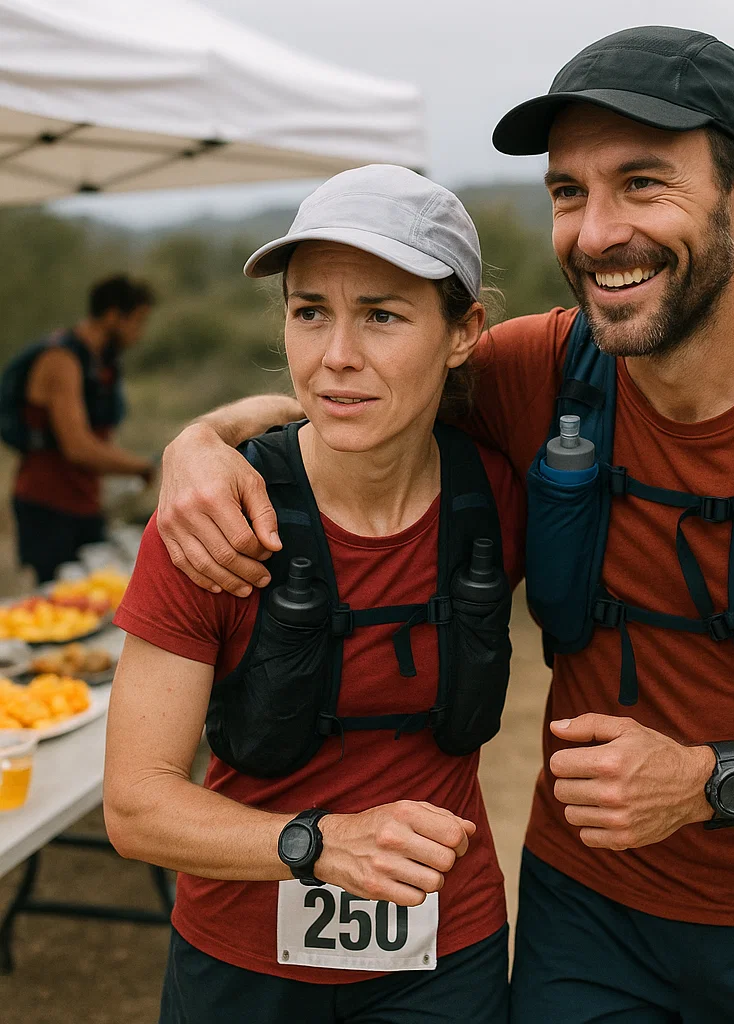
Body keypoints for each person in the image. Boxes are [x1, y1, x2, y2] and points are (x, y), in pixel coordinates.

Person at [151, 26, 734, 1024]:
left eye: (641, 183)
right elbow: (357, 393)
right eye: (568, 192)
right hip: (583, 919)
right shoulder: (537, 372)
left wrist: (707, 779)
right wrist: (199, 441)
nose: (596, 232)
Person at [103, 166, 522, 1024]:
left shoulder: (503, 498)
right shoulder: (216, 524)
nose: (337, 355)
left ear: (463, 331)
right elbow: (137, 805)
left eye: (382, 314)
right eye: (309, 312)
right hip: (240, 965)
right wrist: (320, 845)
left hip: (446, 956)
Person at [2, 274, 155, 582]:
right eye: (136, 322)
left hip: (85, 501)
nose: (138, 335)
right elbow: (77, 446)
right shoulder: (62, 360)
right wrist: (143, 467)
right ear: (113, 316)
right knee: (57, 601)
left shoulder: (100, 364)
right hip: (48, 506)